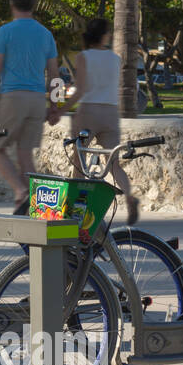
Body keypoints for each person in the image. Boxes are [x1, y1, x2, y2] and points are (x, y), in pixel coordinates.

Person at [0, 0, 62, 213]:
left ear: (12, 5)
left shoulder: (5, 32)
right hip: (37, 99)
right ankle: (34, 207)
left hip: (13, 97)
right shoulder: (46, 34)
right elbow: (55, 74)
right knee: (25, 153)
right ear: (34, 6)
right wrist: (54, 106)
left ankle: (20, 191)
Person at [59, 19, 139, 225]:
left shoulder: (83, 57)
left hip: (89, 112)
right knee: (113, 163)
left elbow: (82, 89)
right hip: (111, 112)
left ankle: (75, 210)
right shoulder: (115, 58)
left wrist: (62, 110)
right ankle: (130, 199)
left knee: (79, 162)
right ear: (103, 36)